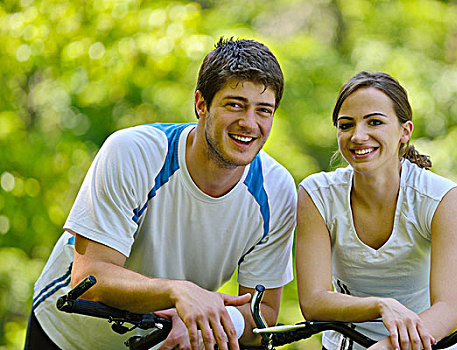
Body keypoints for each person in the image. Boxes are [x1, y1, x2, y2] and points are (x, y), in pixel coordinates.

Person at [26, 37, 296, 350]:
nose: (249, 122)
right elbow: (90, 278)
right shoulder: (134, 152)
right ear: (201, 104)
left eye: (264, 110)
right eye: (234, 104)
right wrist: (179, 292)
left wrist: (205, 319)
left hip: (164, 342)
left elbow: (261, 315)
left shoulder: (276, 191)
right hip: (68, 335)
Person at [296, 71, 457, 350]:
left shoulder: (441, 197)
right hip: (347, 344)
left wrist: (387, 347)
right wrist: (381, 306)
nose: (358, 136)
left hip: (430, 342)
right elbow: (314, 301)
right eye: (346, 125)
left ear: (405, 131)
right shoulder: (317, 194)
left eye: (374, 122)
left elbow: (449, 309)